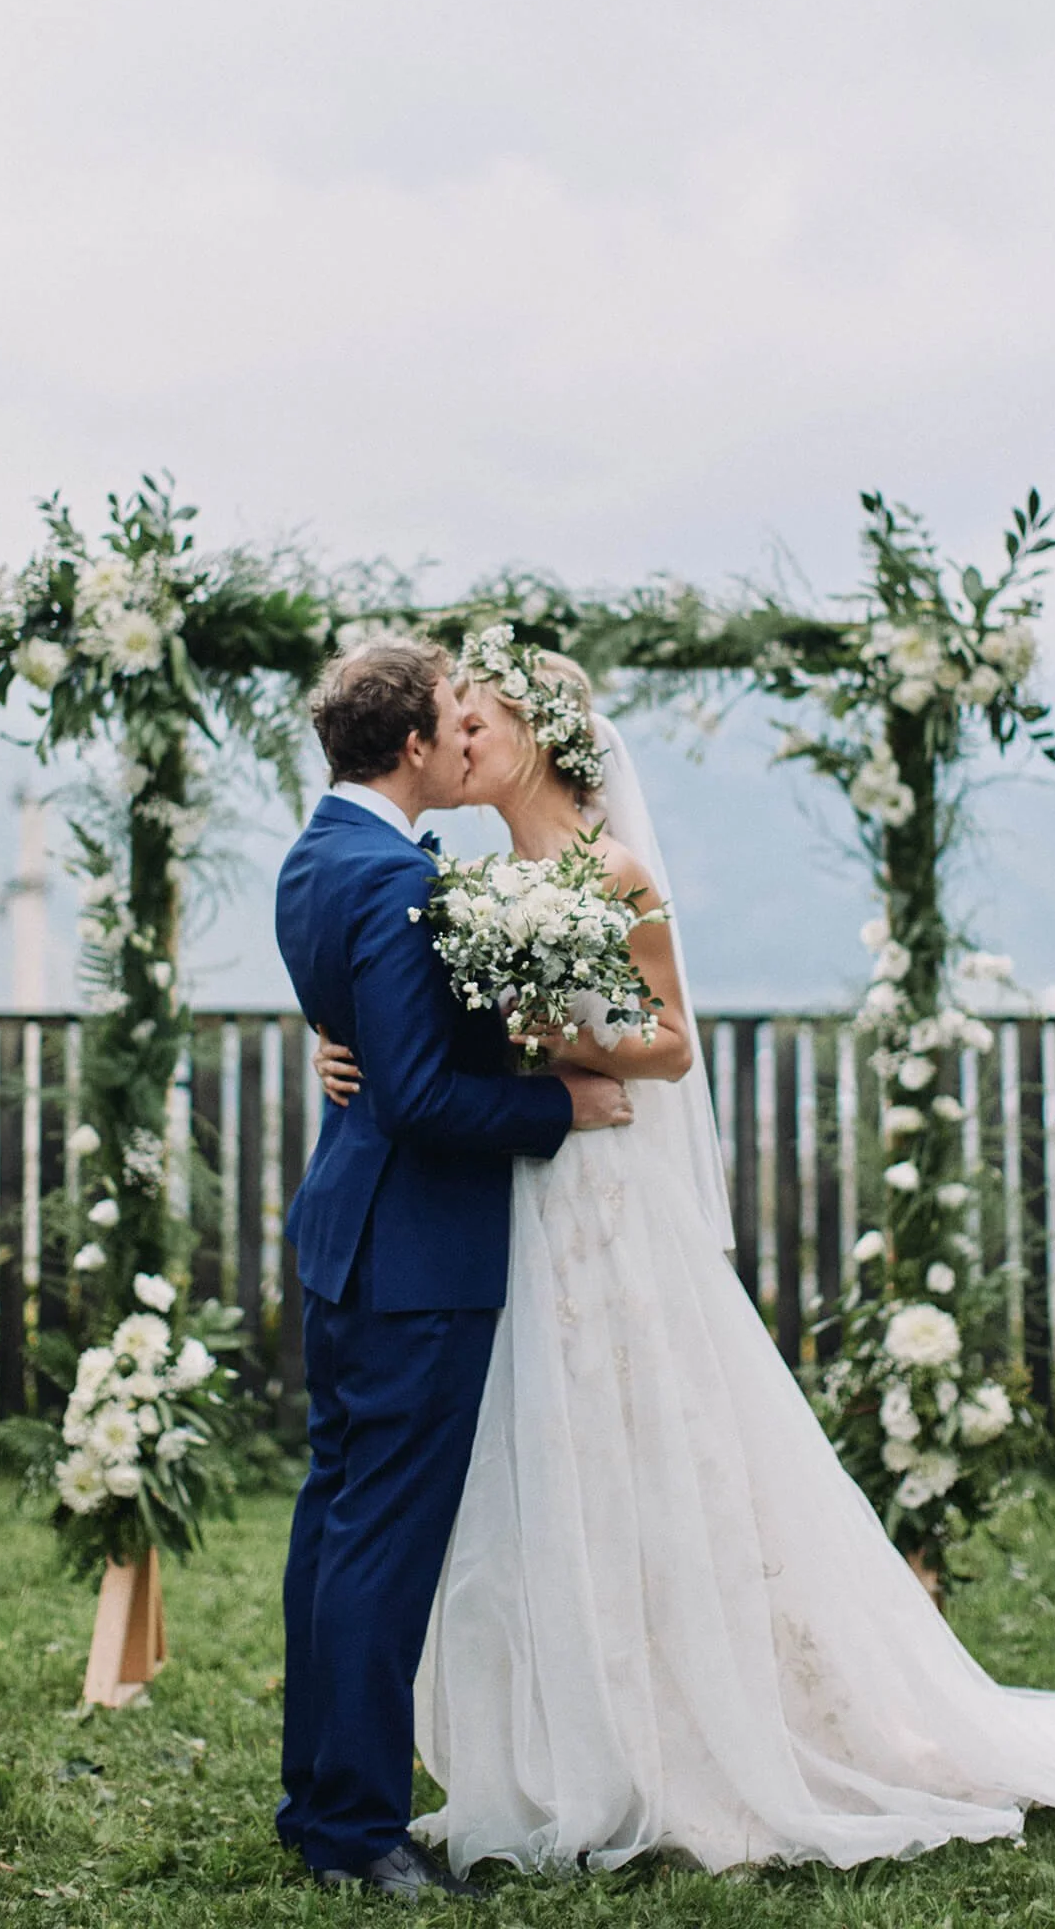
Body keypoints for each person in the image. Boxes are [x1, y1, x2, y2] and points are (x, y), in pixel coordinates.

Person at [314, 639, 1055, 1879]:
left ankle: (694, 1730)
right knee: (542, 1444)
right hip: (519, 1198)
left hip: (605, 1185)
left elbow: (670, 1048)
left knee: (646, 1428)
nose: (463, 741)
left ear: (538, 734)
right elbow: (408, 1021)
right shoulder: (478, 880)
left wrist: (562, 1048)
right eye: (457, 724)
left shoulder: (612, 868)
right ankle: (568, 1732)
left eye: (481, 722)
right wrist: (341, 1049)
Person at [273, 634, 634, 1900]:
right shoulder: (395, 881)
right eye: (450, 717)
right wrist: (557, 1111)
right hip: (415, 1257)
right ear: (416, 744)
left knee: (333, 1526)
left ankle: (314, 1796)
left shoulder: (317, 856)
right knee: (380, 1540)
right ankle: (356, 1828)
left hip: (344, 1243)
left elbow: (366, 1036)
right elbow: (421, 1096)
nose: (463, 732)